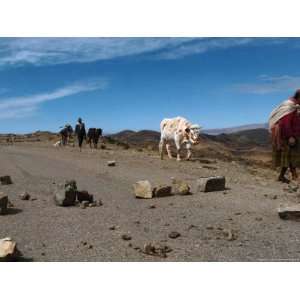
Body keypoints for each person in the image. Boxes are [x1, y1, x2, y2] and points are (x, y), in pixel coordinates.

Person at [269, 89, 300, 183]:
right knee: (289, 157)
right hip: (288, 136)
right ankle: (292, 176)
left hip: (294, 135)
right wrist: (290, 136)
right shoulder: (289, 106)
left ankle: (285, 176)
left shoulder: (295, 106)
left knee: (290, 157)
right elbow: (285, 123)